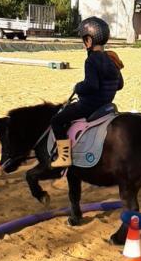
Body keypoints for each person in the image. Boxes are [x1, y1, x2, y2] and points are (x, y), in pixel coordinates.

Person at [50, 16, 124, 168]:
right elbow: (120, 85)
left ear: (89, 40)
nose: (84, 43)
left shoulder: (91, 60)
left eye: (84, 39)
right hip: (106, 105)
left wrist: (77, 87)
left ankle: (64, 158)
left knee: (57, 120)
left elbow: (91, 86)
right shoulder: (112, 58)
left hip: (90, 105)